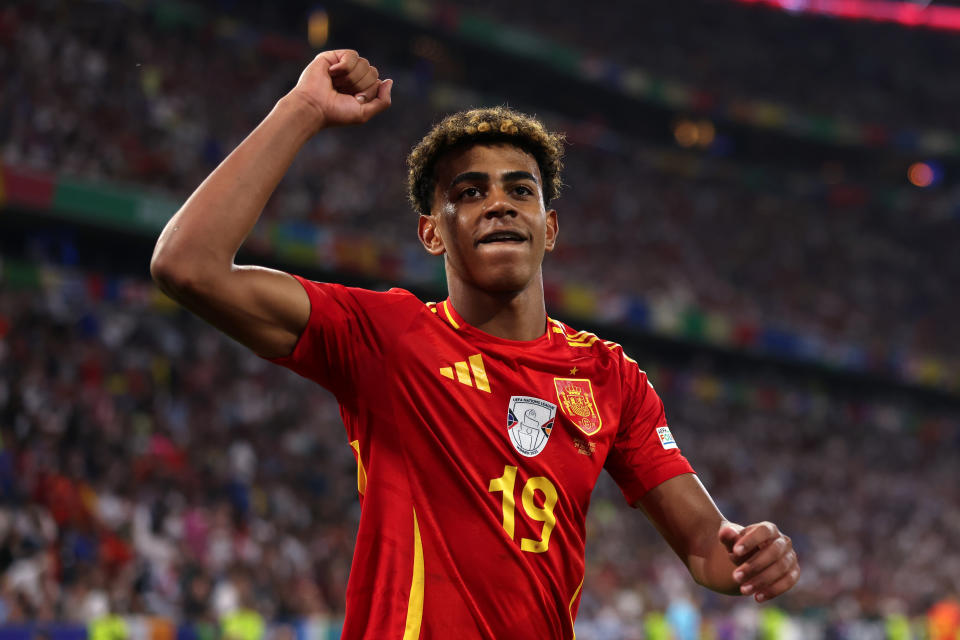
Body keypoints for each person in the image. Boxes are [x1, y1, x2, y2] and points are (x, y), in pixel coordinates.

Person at [150, 49, 800, 639]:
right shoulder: (386, 336)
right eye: (471, 192)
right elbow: (188, 265)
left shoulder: (608, 377)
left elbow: (705, 547)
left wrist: (750, 555)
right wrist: (302, 109)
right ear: (432, 233)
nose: (499, 203)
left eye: (520, 189)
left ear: (548, 228)